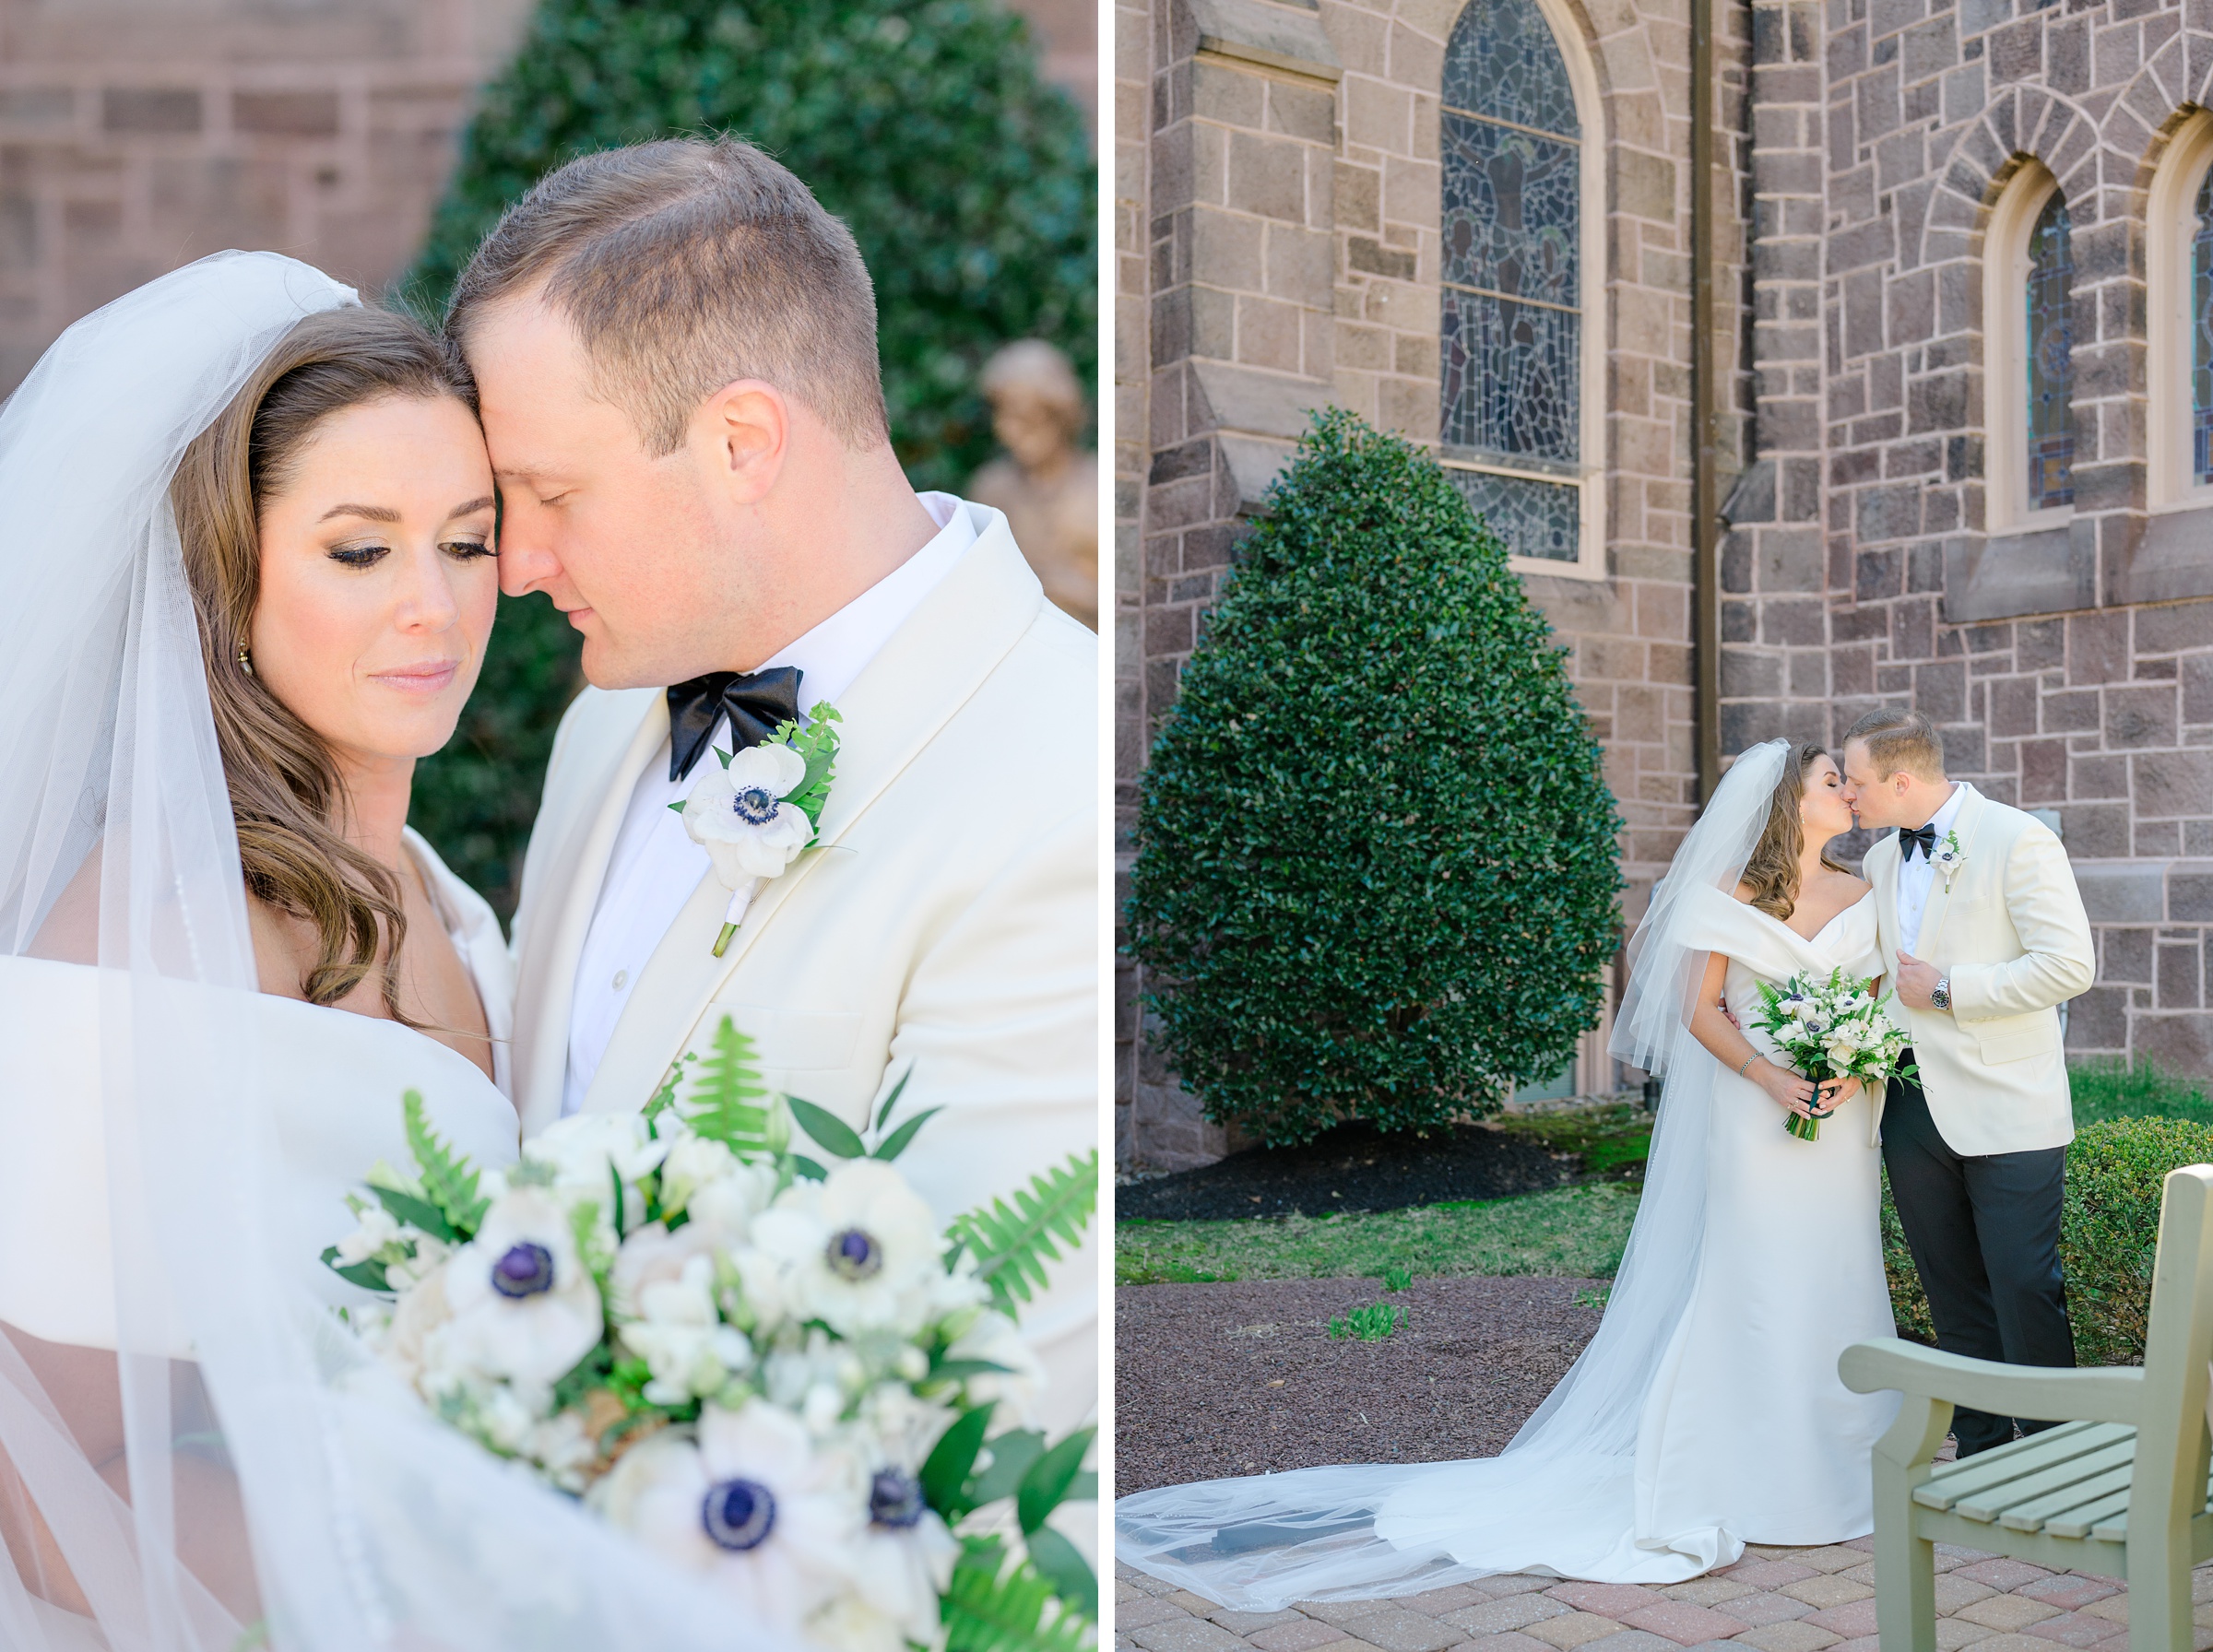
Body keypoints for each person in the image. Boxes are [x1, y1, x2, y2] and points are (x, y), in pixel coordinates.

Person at [455, 137, 1098, 1435]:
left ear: (742, 441)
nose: (513, 562)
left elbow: (971, 1408)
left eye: (548, 493)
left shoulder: (1058, 785)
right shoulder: (608, 723)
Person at [0, 256, 533, 1646]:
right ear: (228, 577)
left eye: (466, 541)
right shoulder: (147, 940)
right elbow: (54, 1486)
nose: (433, 602)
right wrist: (469, 1586)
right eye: (360, 549)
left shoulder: (436, 893)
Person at [1116, 738, 1901, 1606]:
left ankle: (1841, 1472)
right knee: (1754, 1284)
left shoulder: (1866, 894)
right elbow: (1699, 1012)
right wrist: (1769, 1074)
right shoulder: (1730, 895)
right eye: (1833, 781)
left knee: (1834, 1274)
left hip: (1839, 1123)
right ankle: (1750, 1476)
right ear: (1790, 799)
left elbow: (1872, 1004)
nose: (1850, 793)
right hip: (1756, 1115)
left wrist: (1850, 1066)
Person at [1839, 707, 2093, 1457]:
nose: (1849, 795)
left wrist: (1950, 990)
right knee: (1950, 1287)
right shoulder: (1881, 862)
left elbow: (2068, 966)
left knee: (2023, 1283)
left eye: (1855, 782)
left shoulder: (2020, 839)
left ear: (1902, 779)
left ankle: (2055, 1450)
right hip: (1911, 1103)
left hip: (2009, 1102)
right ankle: (1981, 1445)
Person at [967, 339, 1099, 630]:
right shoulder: (991, 490)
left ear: (1058, 410)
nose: (1008, 429)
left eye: (1024, 416)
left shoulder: (1099, 487)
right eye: (1002, 414)